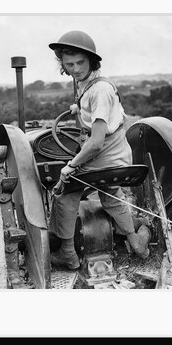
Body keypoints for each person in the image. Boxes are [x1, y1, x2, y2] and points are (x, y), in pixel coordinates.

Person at [47, 30, 150, 270]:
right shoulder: (95, 84)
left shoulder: (99, 91)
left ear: (92, 60)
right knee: (111, 196)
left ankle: (67, 253)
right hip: (119, 159)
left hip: (101, 159)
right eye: (69, 63)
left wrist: (70, 167)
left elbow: (95, 143)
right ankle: (136, 242)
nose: (75, 69)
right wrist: (78, 107)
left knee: (64, 192)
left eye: (80, 63)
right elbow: (106, 111)